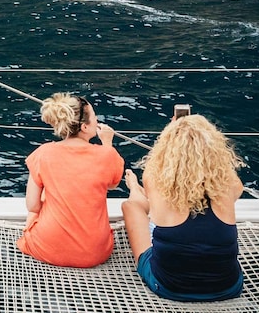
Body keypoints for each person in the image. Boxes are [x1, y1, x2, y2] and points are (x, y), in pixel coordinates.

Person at [122, 114, 244, 301]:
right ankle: (138, 194)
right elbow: (234, 184)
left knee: (132, 207)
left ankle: (135, 191)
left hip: (169, 287)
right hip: (227, 287)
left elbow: (156, 168)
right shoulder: (229, 185)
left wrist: (169, 136)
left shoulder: (152, 180)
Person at [17, 93, 124, 267]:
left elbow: (33, 205)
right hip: (95, 253)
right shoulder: (106, 155)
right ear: (84, 127)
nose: (97, 121)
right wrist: (107, 143)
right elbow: (113, 184)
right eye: (95, 118)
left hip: (47, 248)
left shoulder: (44, 153)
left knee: (42, 200)